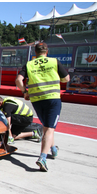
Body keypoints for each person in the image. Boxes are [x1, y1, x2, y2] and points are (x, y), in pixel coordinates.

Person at [16, 42, 70, 171]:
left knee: (47, 126)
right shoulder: (54, 62)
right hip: (52, 98)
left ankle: (53, 149)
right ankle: (43, 158)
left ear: (35, 52)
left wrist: (25, 92)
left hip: (36, 99)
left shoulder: (29, 64)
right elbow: (66, 79)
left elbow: (18, 80)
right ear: (47, 51)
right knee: (50, 128)